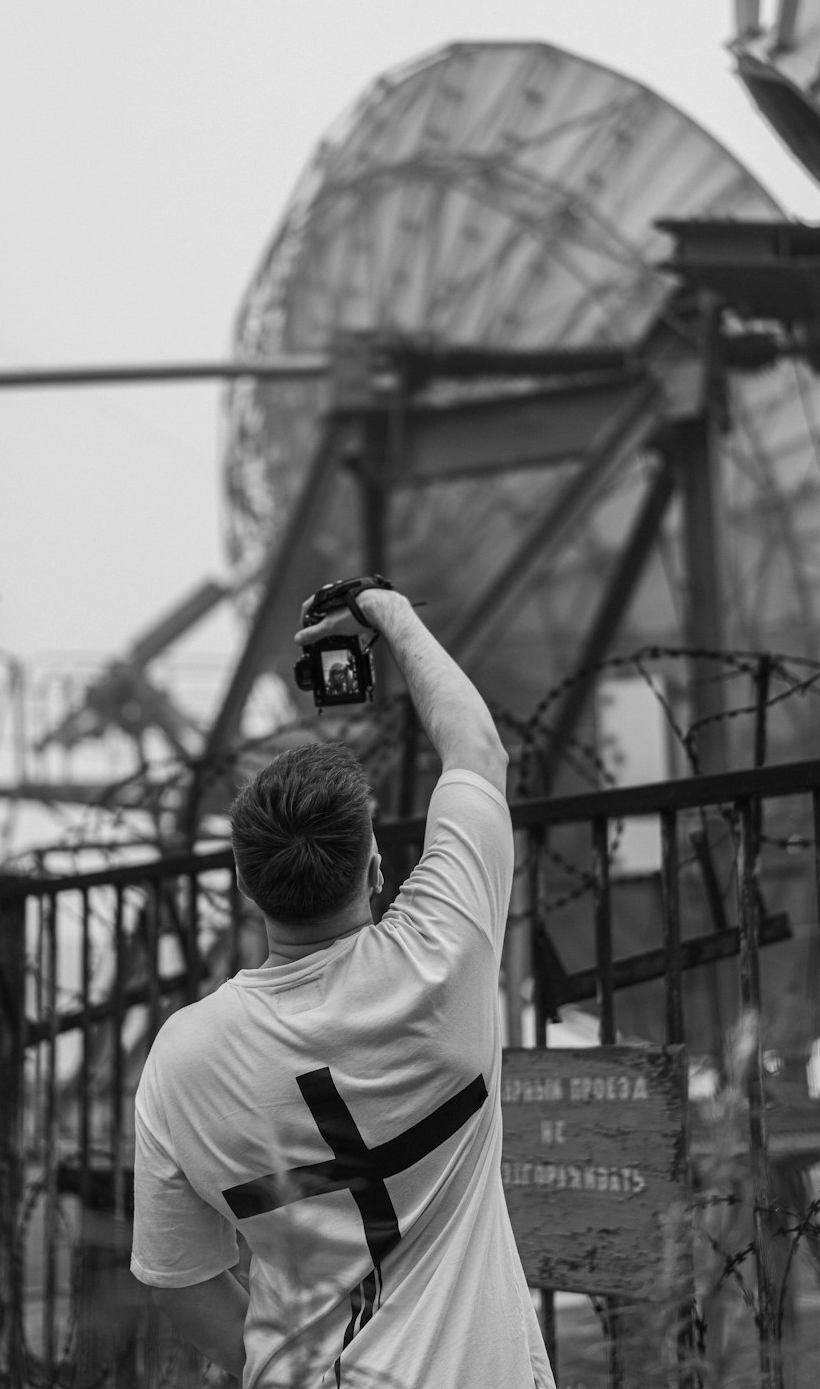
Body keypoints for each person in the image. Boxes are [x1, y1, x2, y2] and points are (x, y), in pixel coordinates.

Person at [130, 582, 555, 1388]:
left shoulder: (179, 1059)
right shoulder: (442, 958)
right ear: (376, 865)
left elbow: (177, 1283)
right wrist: (389, 613)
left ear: (244, 886)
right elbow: (477, 752)